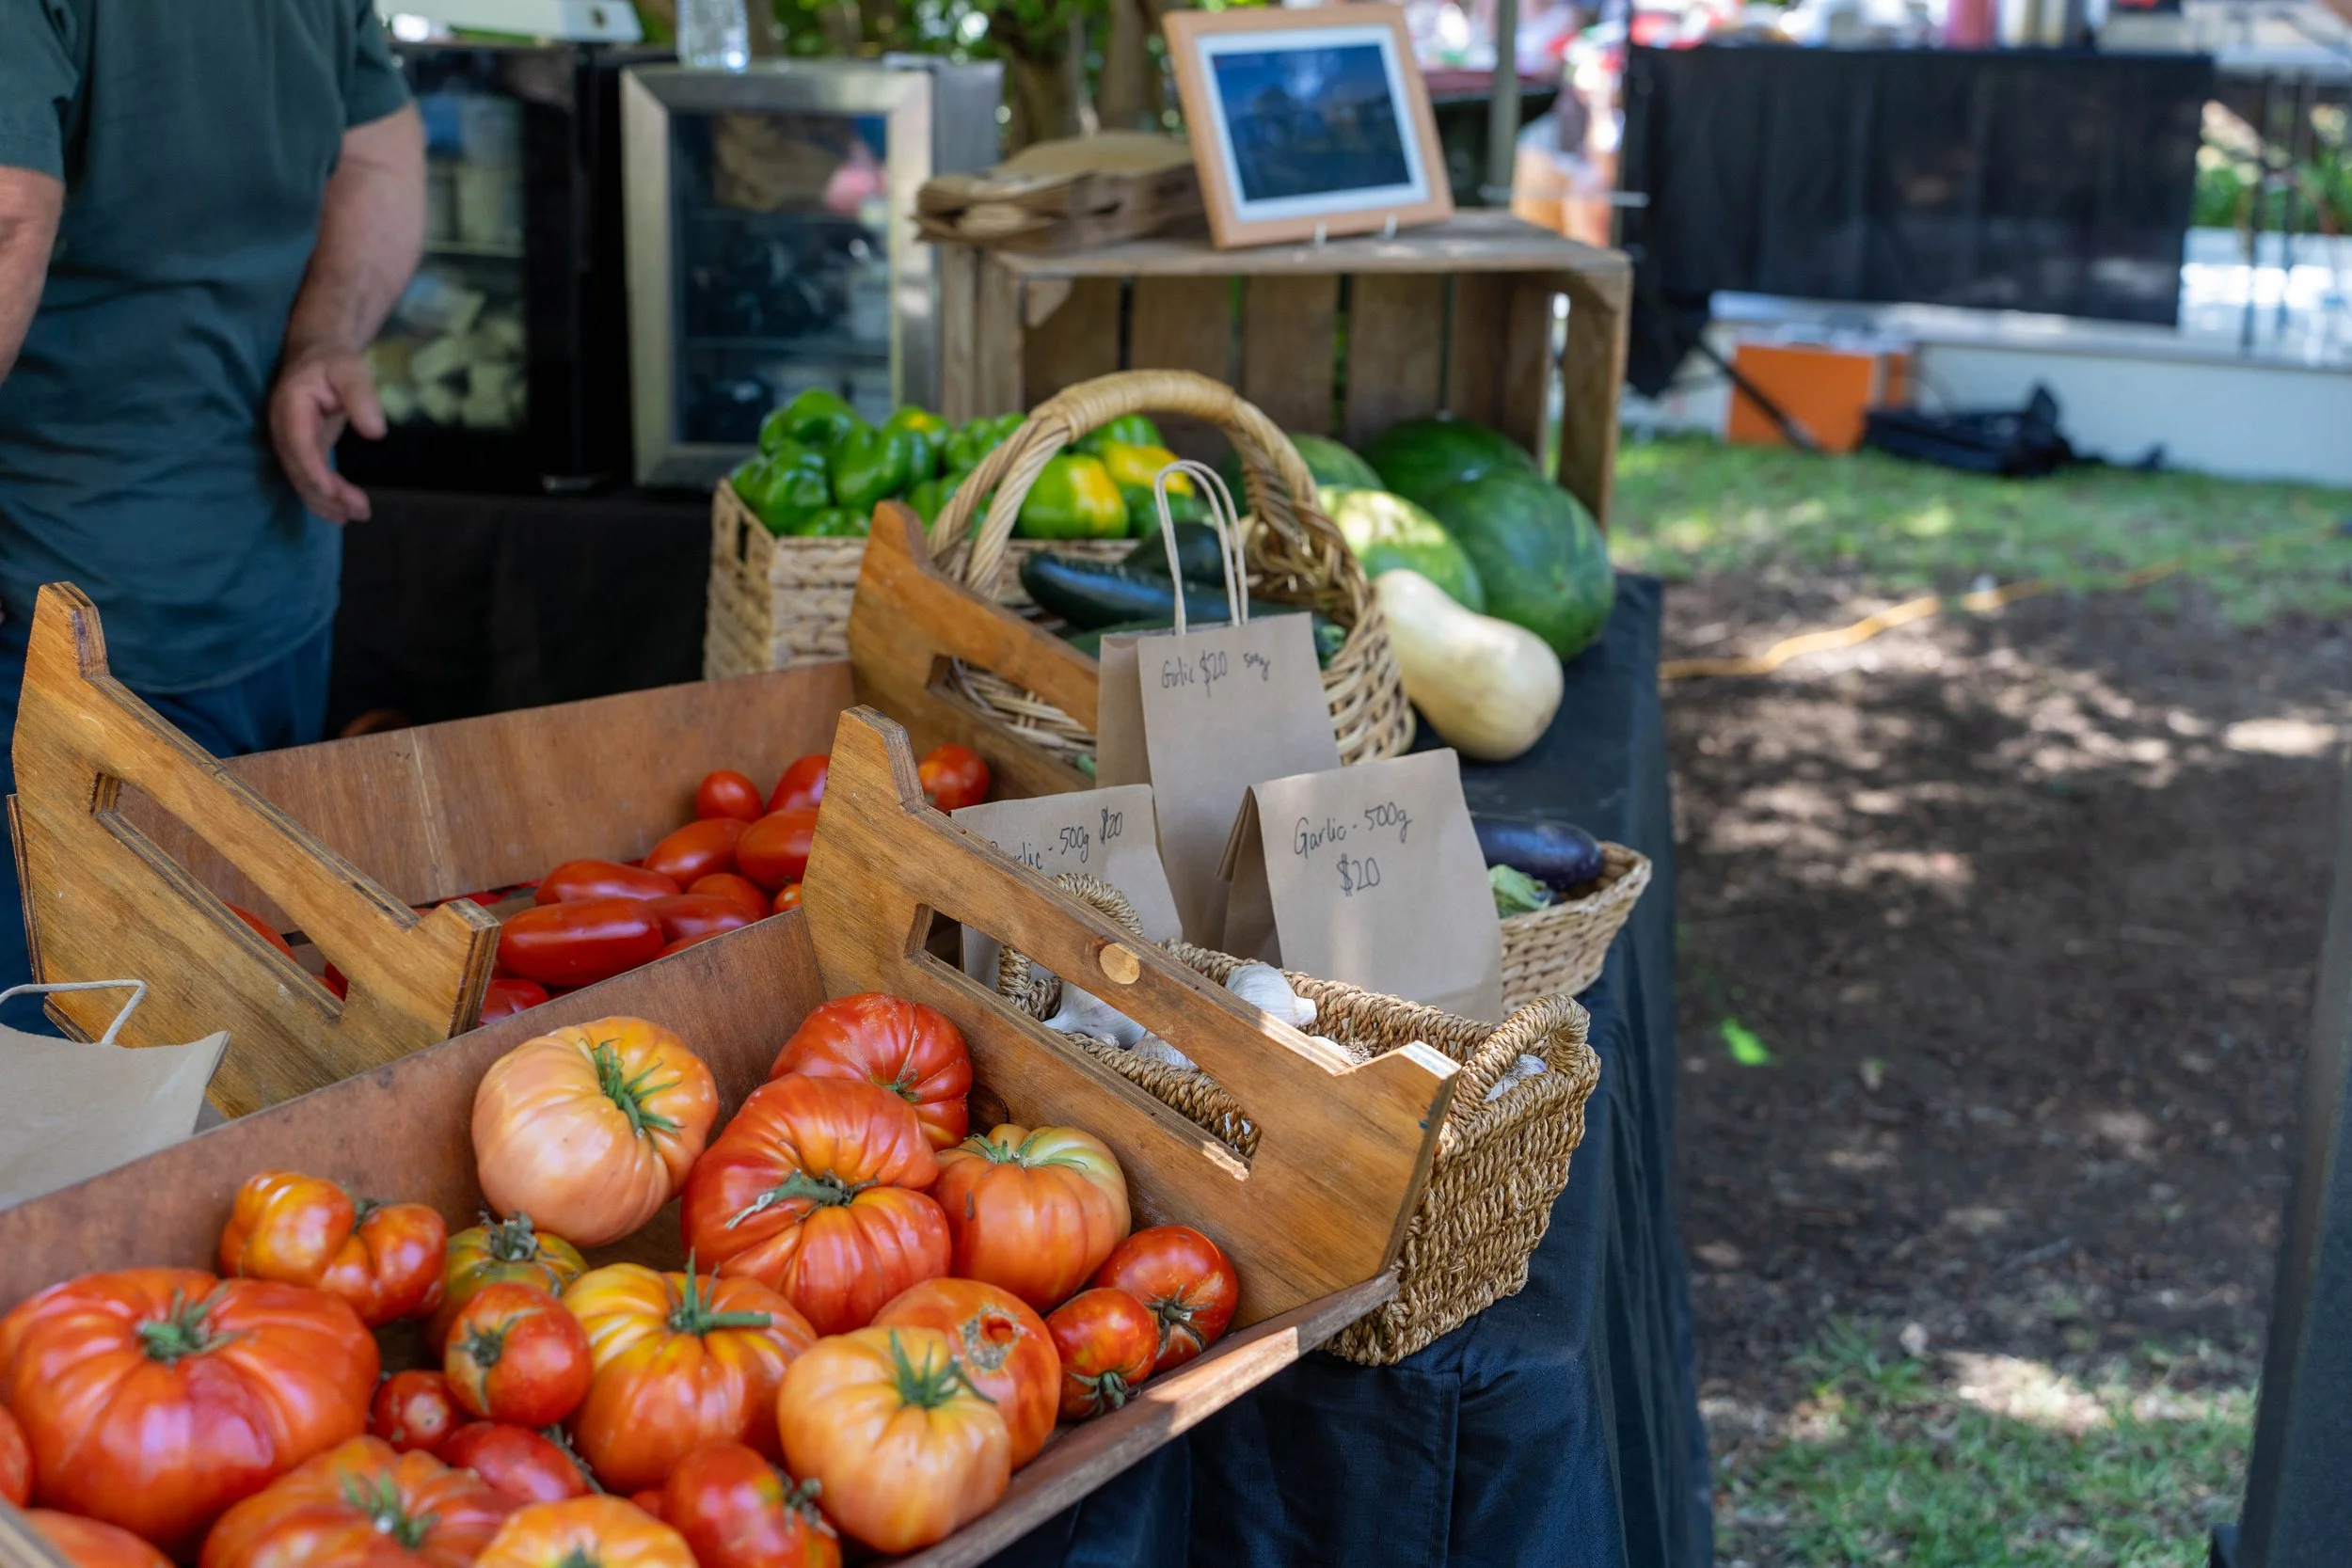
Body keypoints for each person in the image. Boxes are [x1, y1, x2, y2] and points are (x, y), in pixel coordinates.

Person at [0, 0, 425, 1024]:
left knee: (62, 1066)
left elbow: (10, 212)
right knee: (224, 1030)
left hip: (56, 621)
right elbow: (381, 161)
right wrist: (327, 339)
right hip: (269, 589)